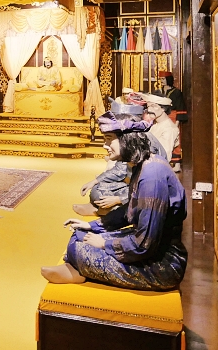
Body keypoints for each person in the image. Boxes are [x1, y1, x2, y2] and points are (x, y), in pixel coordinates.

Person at [42, 109, 188, 291]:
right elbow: (129, 211)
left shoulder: (152, 176)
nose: (105, 145)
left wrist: (104, 243)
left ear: (127, 140)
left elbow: (144, 244)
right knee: (79, 235)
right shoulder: (142, 164)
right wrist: (92, 226)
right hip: (148, 249)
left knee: (78, 249)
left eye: (109, 139)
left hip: (161, 264)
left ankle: (79, 269)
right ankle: (78, 267)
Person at [73, 100, 168, 228]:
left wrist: (119, 200)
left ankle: (105, 211)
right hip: (134, 191)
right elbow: (120, 170)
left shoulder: (150, 165)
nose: (104, 146)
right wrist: (95, 181)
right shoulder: (131, 149)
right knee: (97, 190)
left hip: (144, 208)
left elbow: (145, 234)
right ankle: (105, 211)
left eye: (109, 139)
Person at [144, 93, 178, 163]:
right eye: (148, 106)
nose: (149, 109)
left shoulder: (169, 128)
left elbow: (164, 156)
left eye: (153, 106)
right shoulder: (154, 124)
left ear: (163, 108)